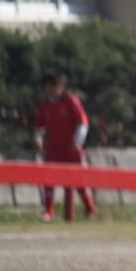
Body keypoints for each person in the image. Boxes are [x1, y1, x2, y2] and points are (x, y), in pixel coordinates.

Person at [34, 68, 97, 221]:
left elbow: (83, 122)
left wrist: (78, 141)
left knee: (79, 178)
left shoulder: (71, 101)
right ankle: (49, 211)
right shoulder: (45, 104)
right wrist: (38, 139)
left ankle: (90, 209)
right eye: (47, 87)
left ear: (60, 86)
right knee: (48, 177)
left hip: (71, 148)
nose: (49, 90)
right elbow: (40, 124)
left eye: (52, 86)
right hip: (53, 147)